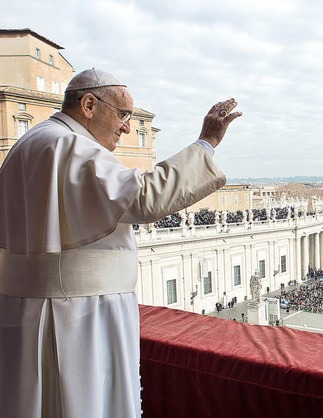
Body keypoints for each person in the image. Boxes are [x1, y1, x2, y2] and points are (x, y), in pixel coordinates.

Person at [0, 69, 241, 418]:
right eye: (123, 114)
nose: (127, 127)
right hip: (79, 315)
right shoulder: (68, 144)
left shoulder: (31, 141)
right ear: (88, 105)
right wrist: (206, 144)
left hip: (31, 309)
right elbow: (143, 198)